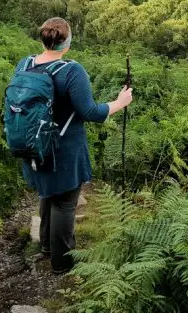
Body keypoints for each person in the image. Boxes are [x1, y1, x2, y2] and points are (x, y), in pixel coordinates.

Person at [14, 17, 133, 274]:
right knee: (65, 204)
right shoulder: (71, 71)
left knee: (47, 194)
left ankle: (46, 247)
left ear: (43, 39)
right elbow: (90, 111)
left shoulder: (25, 64)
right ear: (66, 43)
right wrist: (120, 102)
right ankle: (63, 264)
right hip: (64, 150)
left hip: (33, 145)